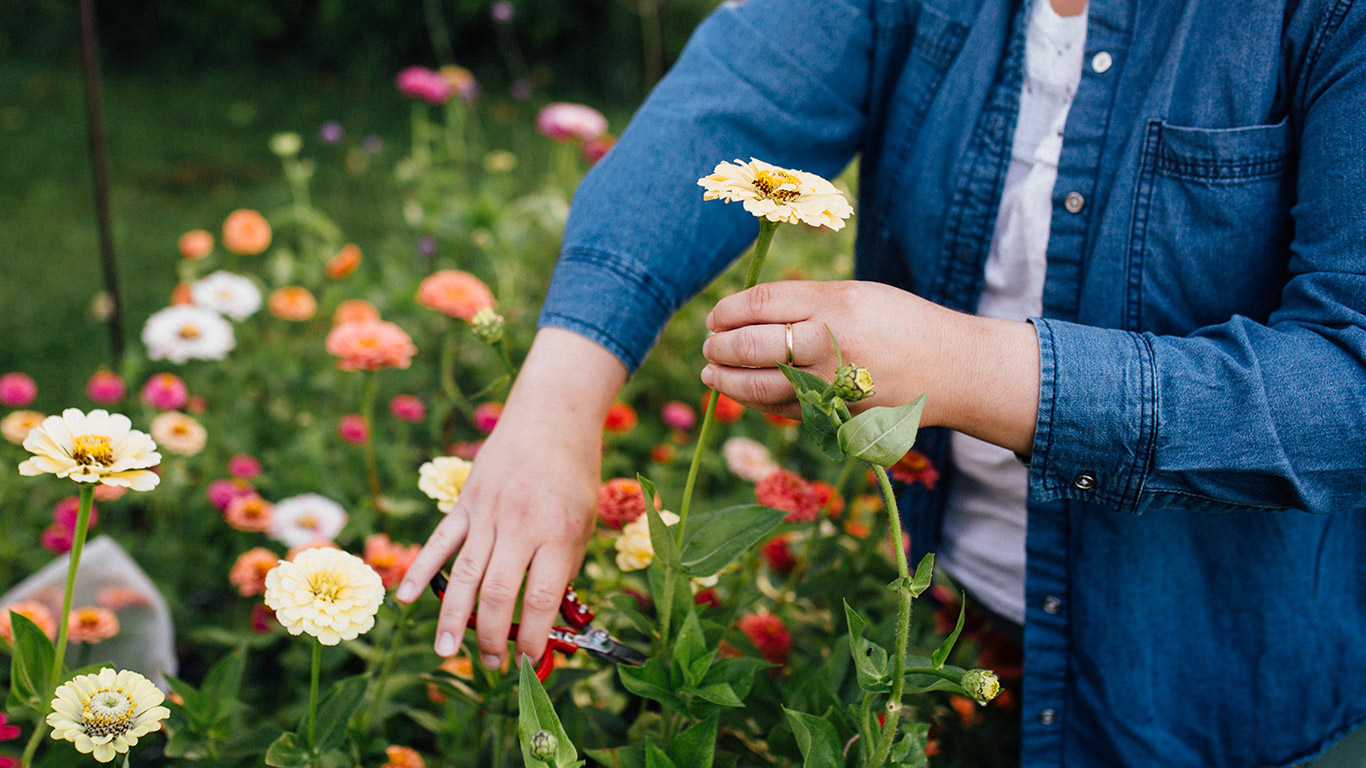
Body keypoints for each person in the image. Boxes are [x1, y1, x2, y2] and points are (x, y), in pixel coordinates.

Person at [398, 0, 1366, 764]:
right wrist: (553, 408)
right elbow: (729, 102)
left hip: (1215, 700)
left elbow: (1343, 380)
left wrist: (958, 367)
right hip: (926, 644)